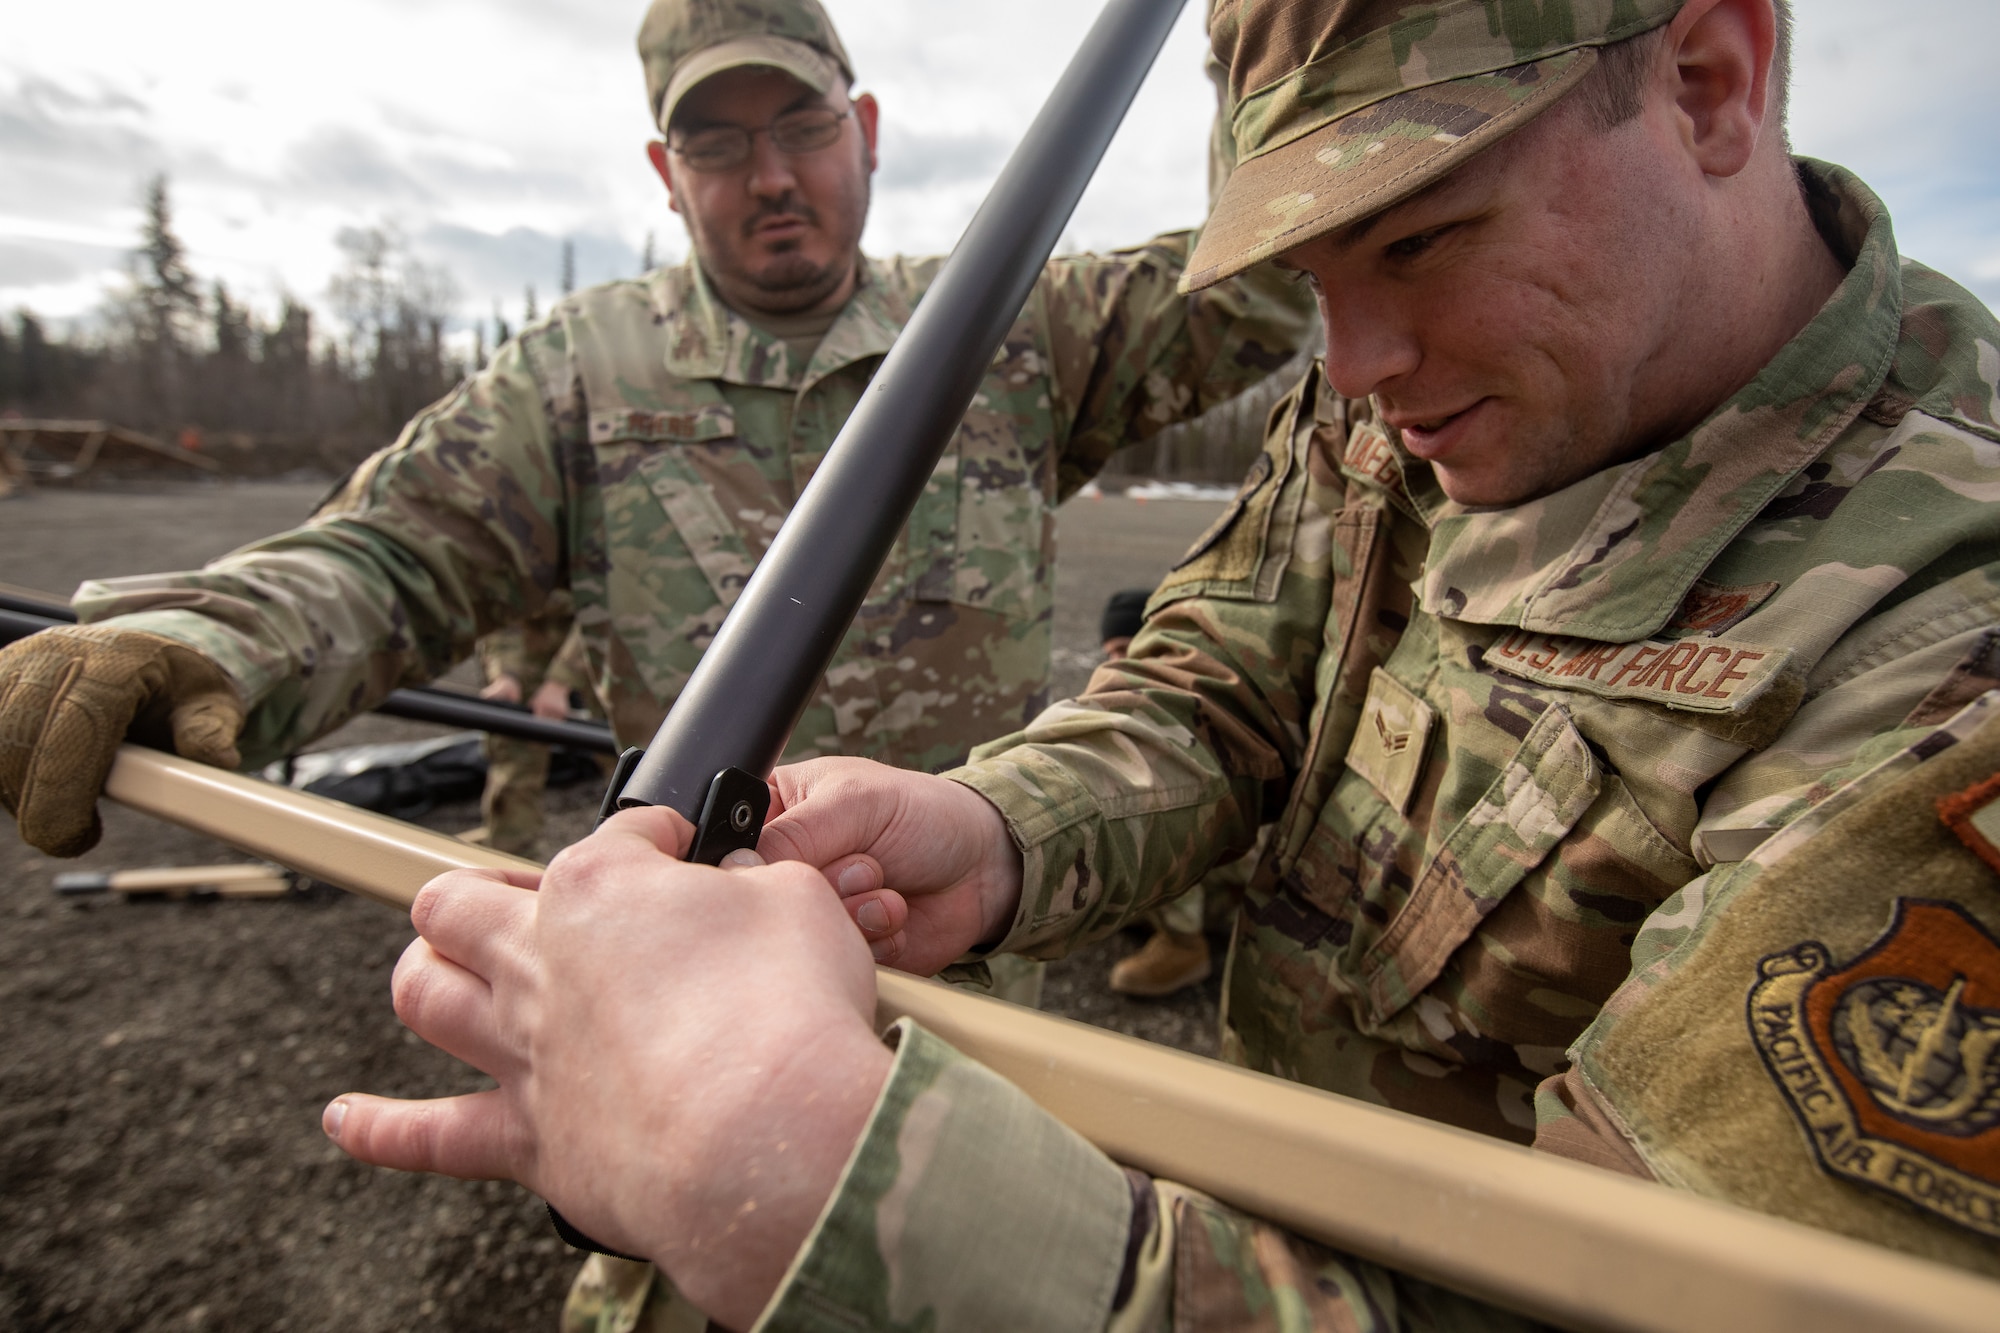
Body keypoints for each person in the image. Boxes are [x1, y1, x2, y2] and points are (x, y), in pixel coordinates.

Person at [317, 0, 2000, 1325]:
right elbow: (1232, 671)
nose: (1352, 366)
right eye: (1309, 275)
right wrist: (996, 832)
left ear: (1710, 79)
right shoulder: (1427, 392)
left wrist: (844, 1182)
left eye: (1417, 238)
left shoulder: (1944, 662)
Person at [465, 608, 605, 857]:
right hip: (530, 637)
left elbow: (608, 606)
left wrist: (560, 681)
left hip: (608, 636)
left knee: (633, 755)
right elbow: (499, 605)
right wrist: (506, 674)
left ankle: (646, 857)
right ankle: (510, 859)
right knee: (513, 759)